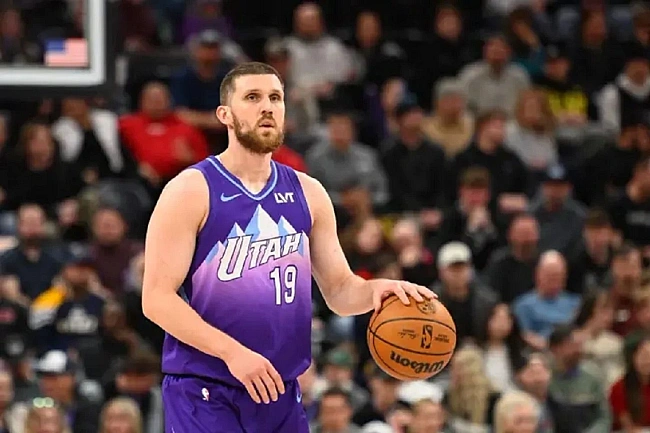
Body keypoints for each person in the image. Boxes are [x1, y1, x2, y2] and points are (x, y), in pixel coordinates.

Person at [141, 62, 435, 433]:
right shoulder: (191, 189)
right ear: (224, 115)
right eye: (252, 97)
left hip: (279, 390)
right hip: (205, 388)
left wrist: (378, 290)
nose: (267, 107)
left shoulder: (309, 193)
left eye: (275, 98)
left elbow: (340, 291)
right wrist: (232, 354)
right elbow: (156, 299)